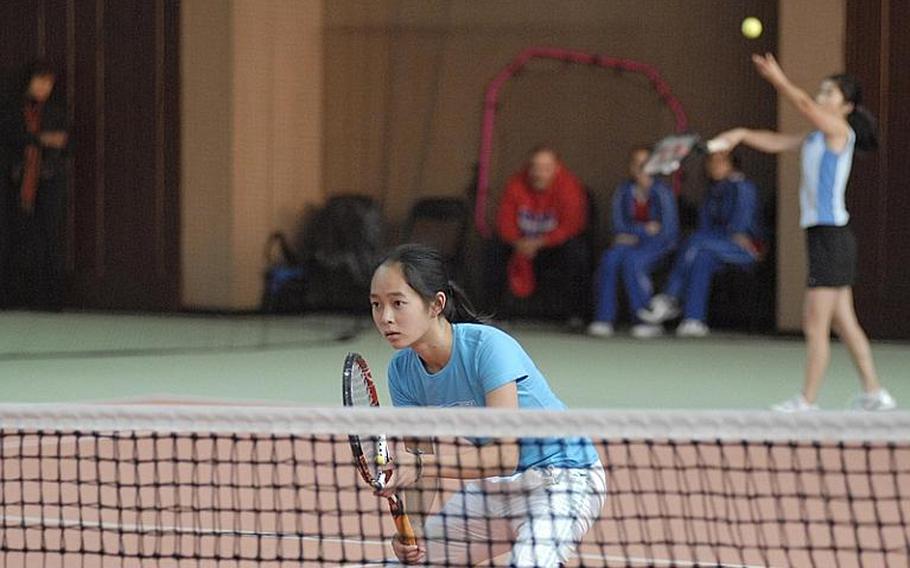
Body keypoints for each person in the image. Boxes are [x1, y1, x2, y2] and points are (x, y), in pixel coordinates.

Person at [370, 243, 606, 567]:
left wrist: (422, 466)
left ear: (435, 304)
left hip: (563, 478)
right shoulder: (402, 372)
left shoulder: (488, 348)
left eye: (398, 303)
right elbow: (419, 462)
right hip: (495, 492)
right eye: (376, 305)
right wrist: (415, 530)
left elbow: (505, 455)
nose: (385, 317)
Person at [710, 53, 895, 412]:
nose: (823, 97)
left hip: (831, 238)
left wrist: (778, 79)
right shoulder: (815, 137)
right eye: (822, 91)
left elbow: (804, 104)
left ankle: (807, 401)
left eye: (831, 94)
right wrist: (742, 135)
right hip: (827, 238)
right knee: (845, 322)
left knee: (815, 323)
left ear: (847, 106)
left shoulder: (841, 132)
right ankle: (875, 392)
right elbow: (777, 142)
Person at [638, 150, 764, 337]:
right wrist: (713, 239)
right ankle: (693, 320)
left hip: (746, 249)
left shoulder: (742, 187)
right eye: (711, 161)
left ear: (732, 164)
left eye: (721, 161)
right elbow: (704, 226)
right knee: (701, 258)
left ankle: (670, 297)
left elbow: (739, 229)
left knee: (696, 242)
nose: (715, 165)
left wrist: (719, 237)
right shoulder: (712, 191)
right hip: (713, 248)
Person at [485, 145, 589, 326]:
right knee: (493, 248)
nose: (539, 173)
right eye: (535, 167)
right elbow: (504, 221)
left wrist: (541, 242)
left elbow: (572, 225)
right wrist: (518, 242)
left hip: (552, 247)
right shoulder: (516, 184)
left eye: (545, 168)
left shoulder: (569, 186)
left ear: (556, 169)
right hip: (520, 244)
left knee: (576, 250)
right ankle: (497, 313)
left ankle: (574, 315)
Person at [588, 147, 679, 338]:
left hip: (659, 246)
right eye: (636, 163)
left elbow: (667, 231)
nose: (641, 167)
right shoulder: (623, 191)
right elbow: (618, 227)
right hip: (628, 244)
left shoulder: (663, 191)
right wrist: (644, 230)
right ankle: (604, 318)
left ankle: (644, 318)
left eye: (646, 163)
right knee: (610, 258)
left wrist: (637, 234)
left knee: (633, 262)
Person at [0, 60, 69, 309]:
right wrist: (40, 139)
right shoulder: (12, 108)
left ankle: (49, 299)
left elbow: (63, 142)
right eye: (39, 81)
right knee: (12, 238)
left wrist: (45, 143)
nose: (43, 88)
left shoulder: (56, 111)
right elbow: (10, 135)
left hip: (48, 180)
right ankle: (11, 297)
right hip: (16, 180)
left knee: (48, 238)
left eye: (48, 83)